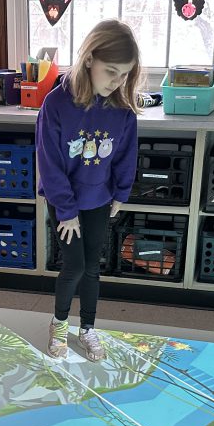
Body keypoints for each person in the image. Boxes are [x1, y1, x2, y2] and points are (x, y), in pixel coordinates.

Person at [36, 19, 140, 362]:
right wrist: (65, 210)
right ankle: (59, 324)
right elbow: (50, 164)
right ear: (89, 60)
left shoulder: (122, 109)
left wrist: (121, 194)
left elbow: (126, 155)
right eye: (111, 71)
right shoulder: (56, 104)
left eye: (124, 74)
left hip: (99, 198)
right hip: (64, 200)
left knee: (93, 266)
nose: (117, 81)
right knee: (75, 266)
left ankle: (88, 329)